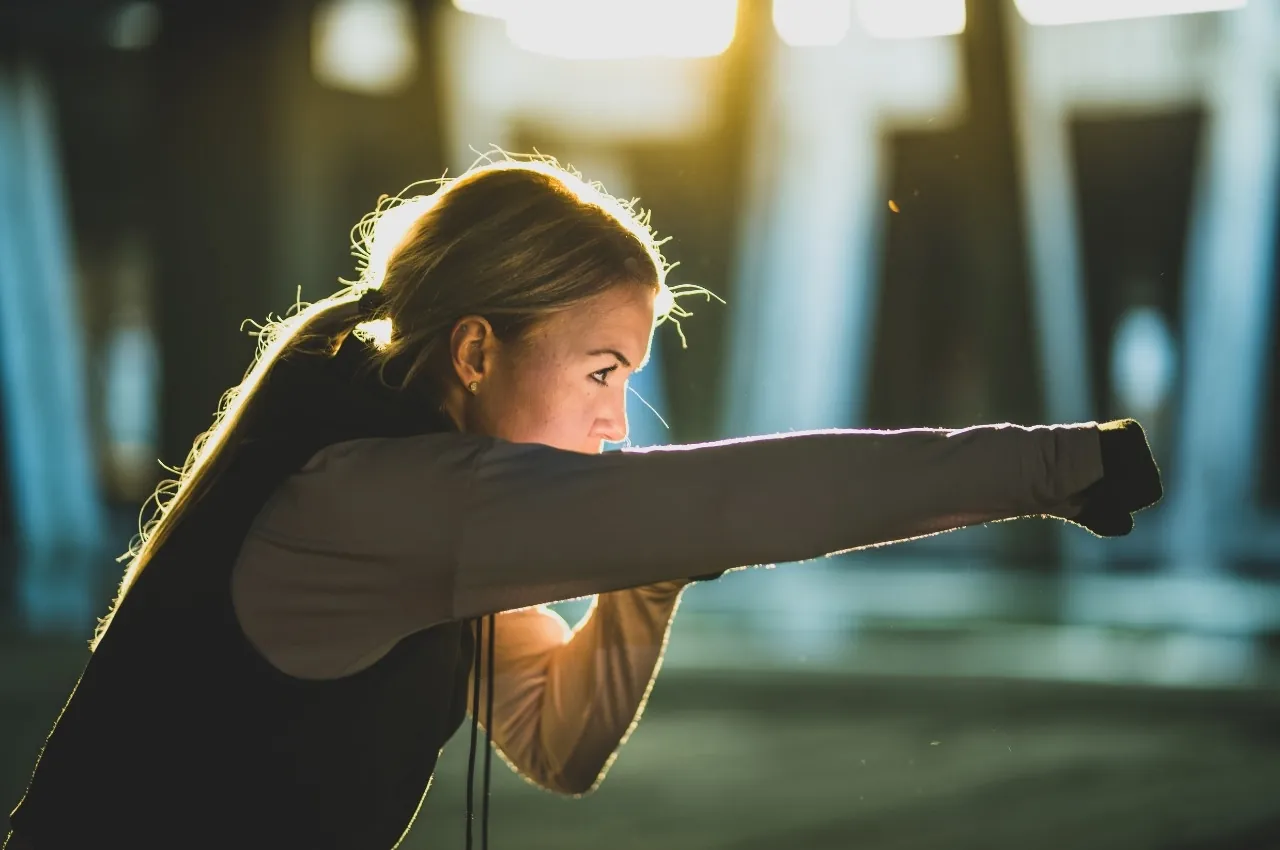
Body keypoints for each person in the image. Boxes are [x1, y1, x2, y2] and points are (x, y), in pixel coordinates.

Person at [4, 157, 1162, 850]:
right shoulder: (380, 497)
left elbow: (555, 744)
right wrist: (1053, 463)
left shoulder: (406, 488)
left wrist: (646, 568)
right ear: (474, 352)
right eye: (601, 371)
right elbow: (753, 493)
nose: (616, 421)